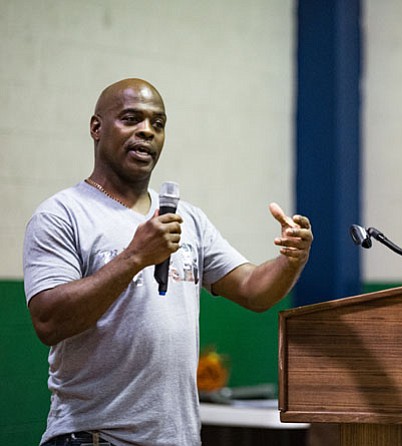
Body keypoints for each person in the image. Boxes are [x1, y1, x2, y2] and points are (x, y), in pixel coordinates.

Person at [23, 78, 313, 446]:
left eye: (157, 124)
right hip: (95, 438)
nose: (146, 131)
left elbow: (254, 290)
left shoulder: (188, 220)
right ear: (96, 128)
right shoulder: (62, 215)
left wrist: (291, 259)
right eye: (131, 119)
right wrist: (134, 257)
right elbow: (48, 320)